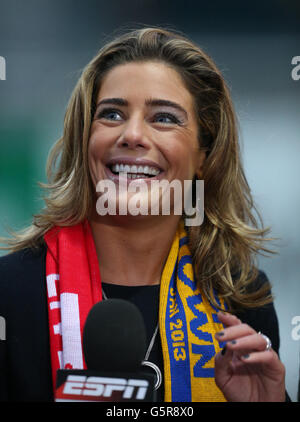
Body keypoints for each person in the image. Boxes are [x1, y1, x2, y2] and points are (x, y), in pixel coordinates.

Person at [0, 26, 287, 402]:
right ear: (84, 138)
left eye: (164, 118)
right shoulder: (10, 293)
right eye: (112, 114)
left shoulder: (242, 296)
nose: (132, 134)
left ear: (205, 153)